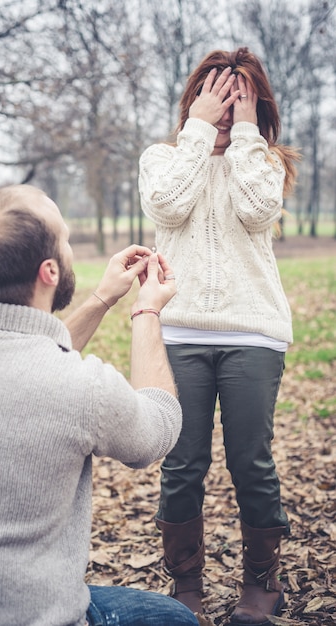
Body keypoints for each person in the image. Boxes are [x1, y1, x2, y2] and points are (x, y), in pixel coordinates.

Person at [0, 184, 201, 626]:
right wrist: (147, 313)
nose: (71, 250)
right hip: (33, 615)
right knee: (175, 619)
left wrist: (102, 298)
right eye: (67, 240)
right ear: (50, 271)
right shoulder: (83, 387)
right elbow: (158, 428)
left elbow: (31, 355)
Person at [138, 47, 299, 625]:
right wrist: (198, 131)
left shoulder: (265, 162)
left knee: (250, 459)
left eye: (241, 97)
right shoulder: (164, 156)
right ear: (194, 98)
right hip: (178, 330)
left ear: (257, 102)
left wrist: (250, 133)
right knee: (182, 462)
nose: (228, 108)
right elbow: (166, 206)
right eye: (217, 95)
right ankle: (186, 582)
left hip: (253, 332)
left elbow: (257, 212)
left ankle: (262, 583)